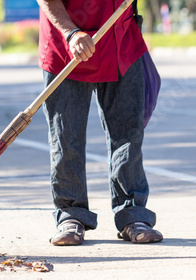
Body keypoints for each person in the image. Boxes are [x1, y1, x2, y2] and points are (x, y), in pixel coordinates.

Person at [36, 0, 163, 245]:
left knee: (128, 135)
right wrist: (71, 33)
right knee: (66, 136)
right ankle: (71, 215)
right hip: (68, 48)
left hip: (121, 40)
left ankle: (133, 214)